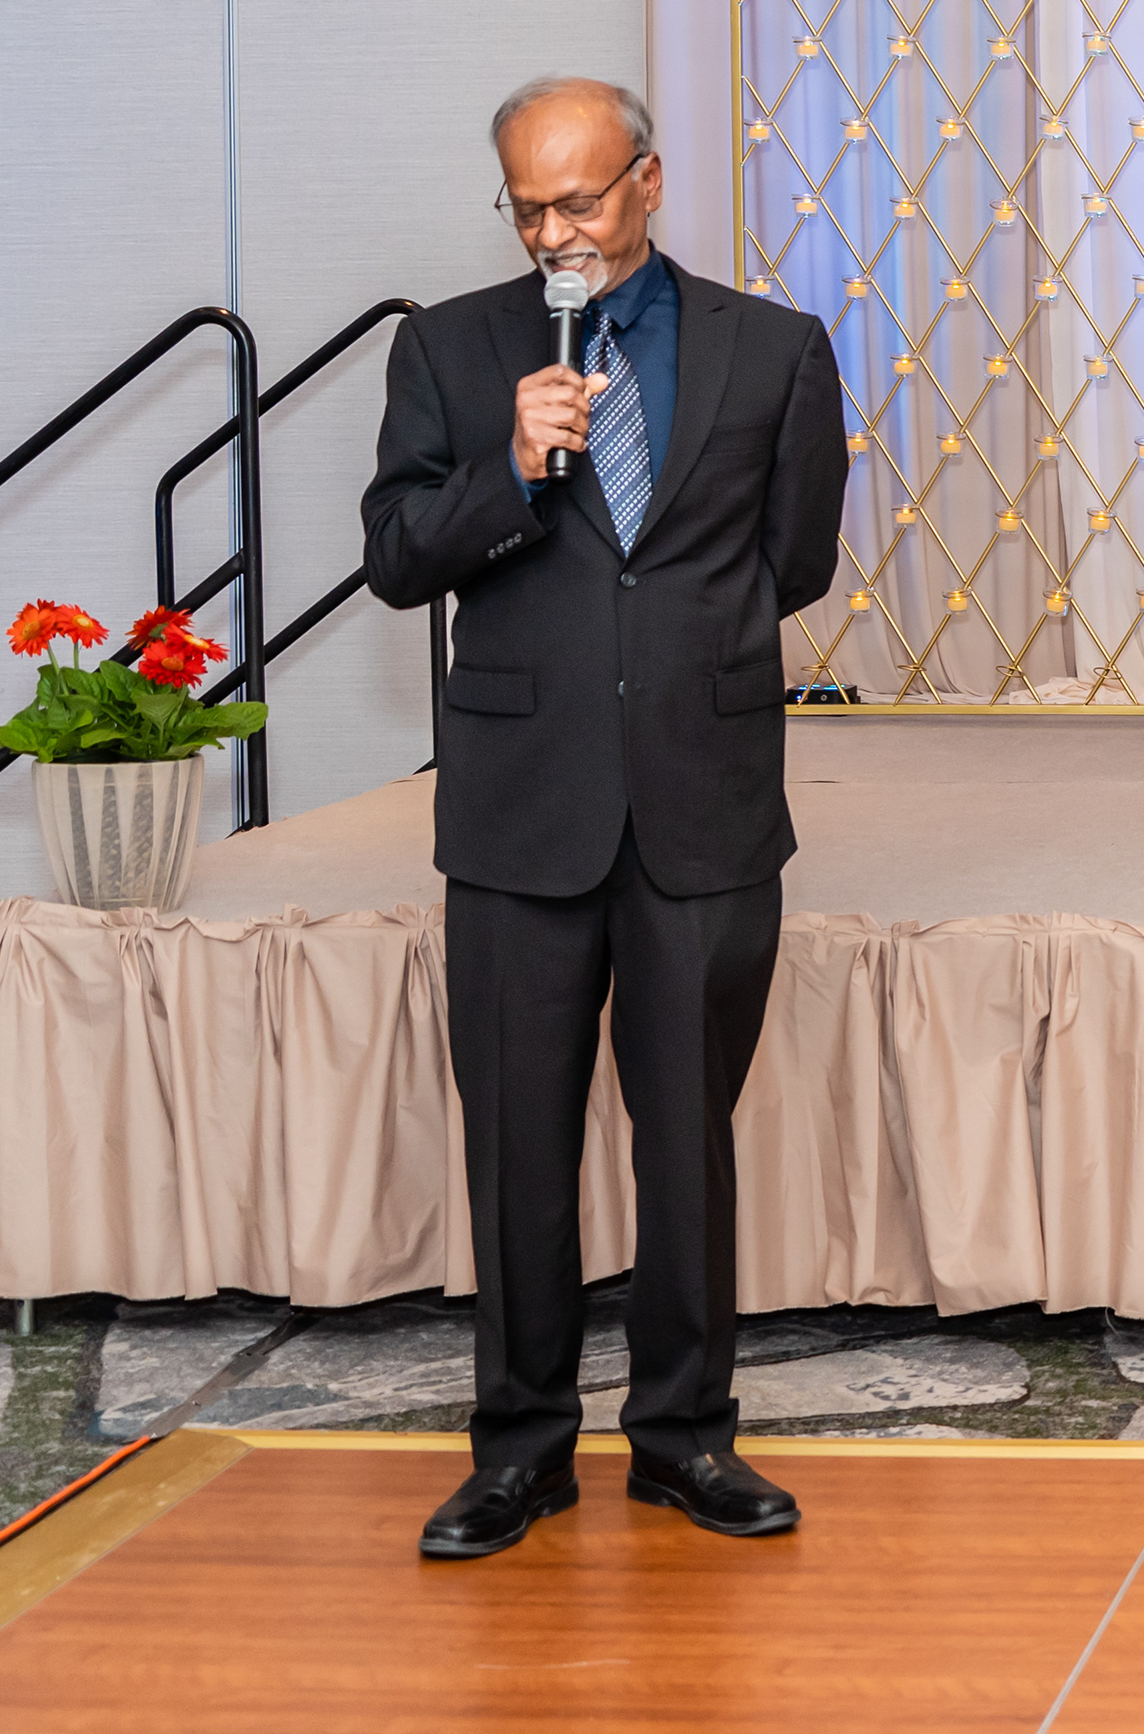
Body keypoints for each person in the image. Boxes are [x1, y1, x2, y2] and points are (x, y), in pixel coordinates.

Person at [362, 76, 849, 1560]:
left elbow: (794, 558)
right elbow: (397, 557)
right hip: (521, 809)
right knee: (517, 1142)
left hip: (704, 797)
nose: (553, 233)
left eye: (577, 200)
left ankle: (686, 1438)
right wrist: (509, 469)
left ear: (648, 180)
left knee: (687, 1137)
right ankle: (518, 1452)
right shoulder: (451, 348)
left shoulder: (775, 348)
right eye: (527, 209)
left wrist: (673, 663)